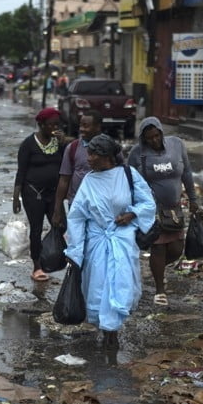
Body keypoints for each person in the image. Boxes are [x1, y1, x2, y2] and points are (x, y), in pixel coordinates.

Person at [65, 134, 156, 347]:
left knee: (120, 285)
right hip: (96, 243)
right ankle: (106, 333)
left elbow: (148, 203)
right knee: (98, 287)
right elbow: (77, 217)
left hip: (122, 241)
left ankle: (112, 332)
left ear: (106, 156)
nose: (89, 158)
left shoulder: (128, 175)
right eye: (88, 153)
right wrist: (75, 251)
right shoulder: (89, 180)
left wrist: (131, 214)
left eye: (93, 154)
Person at [127, 117, 199, 306]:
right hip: (152, 209)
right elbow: (128, 179)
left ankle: (157, 270)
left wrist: (193, 199)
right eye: (149, 138)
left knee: (176, 249)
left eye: (157, 136)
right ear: (143, 138)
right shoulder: (138, 153)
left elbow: (187, 173)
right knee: (158, 247)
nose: (154, 141)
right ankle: (160, 290)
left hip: (175, 209)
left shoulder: (177, 145)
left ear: (161, 132)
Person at [13, 108, 68, 282]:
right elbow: (21, 171)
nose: (54, 128)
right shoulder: (29, 144)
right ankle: (37, 266)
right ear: (41, 124)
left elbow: (66, 166)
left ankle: (48, 253)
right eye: (50, 124)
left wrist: (64, 143)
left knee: (60, 225)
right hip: (33, 193)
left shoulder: (58, 143)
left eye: (57, 125)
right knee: (36, 229)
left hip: (53, 194)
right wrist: (16, 197)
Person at [52, 111, 108, 228]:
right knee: (77, 241)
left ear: (97, 127)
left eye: (86, 126)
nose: (82, 129)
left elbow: (120, 176)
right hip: (77, 205)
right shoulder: (72, 148)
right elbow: (64, 180)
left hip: (103, 206)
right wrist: (57, 210)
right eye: (81, 125)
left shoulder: (110, 148)